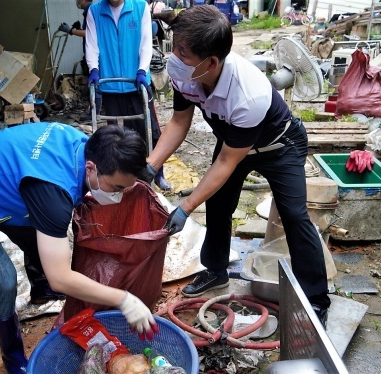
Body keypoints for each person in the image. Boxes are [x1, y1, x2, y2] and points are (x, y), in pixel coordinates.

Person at [145, 6, 331, 327]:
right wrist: (150, 165)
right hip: (235, 140)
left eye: (182, 52)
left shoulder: (248, 95)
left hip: (279, 145)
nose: (173, 57)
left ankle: (315, 300)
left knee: (294, 215)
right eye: (174, 47)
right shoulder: (186, 72)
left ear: (212, 62)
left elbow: (227, 161)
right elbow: (178, 122)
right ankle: (216, 271)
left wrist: (185, 207)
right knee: (218, 204)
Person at [0, 123, 158, 374]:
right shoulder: (52, 192)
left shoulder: (87, 145)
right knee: (2, 280)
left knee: (45, 238)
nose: (119, 196)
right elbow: (60, 278)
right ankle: (13, 357)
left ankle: (39, 288)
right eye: (117, 188)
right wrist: (123, 299)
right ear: (91, 168)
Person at [85, 0, 172, 191]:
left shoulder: (139, 7)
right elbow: (92, 44)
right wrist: (94, 69)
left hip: (137, 83)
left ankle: (157, 173)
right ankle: (122, 177)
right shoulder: (95, 11)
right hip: (110, 85)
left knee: (151, 132)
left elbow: (146, 42)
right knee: (116, 137)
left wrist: (142, 70)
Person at [58, 0, 103, 120]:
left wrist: (71, 31)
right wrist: (77, 28)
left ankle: (94, 114)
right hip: (95, 53)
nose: (77, 2)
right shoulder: (90, 9)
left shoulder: (90, 9)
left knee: (95, 84)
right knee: (95, 83)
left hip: (96, 54)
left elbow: (89, 33)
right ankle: (95, 112)